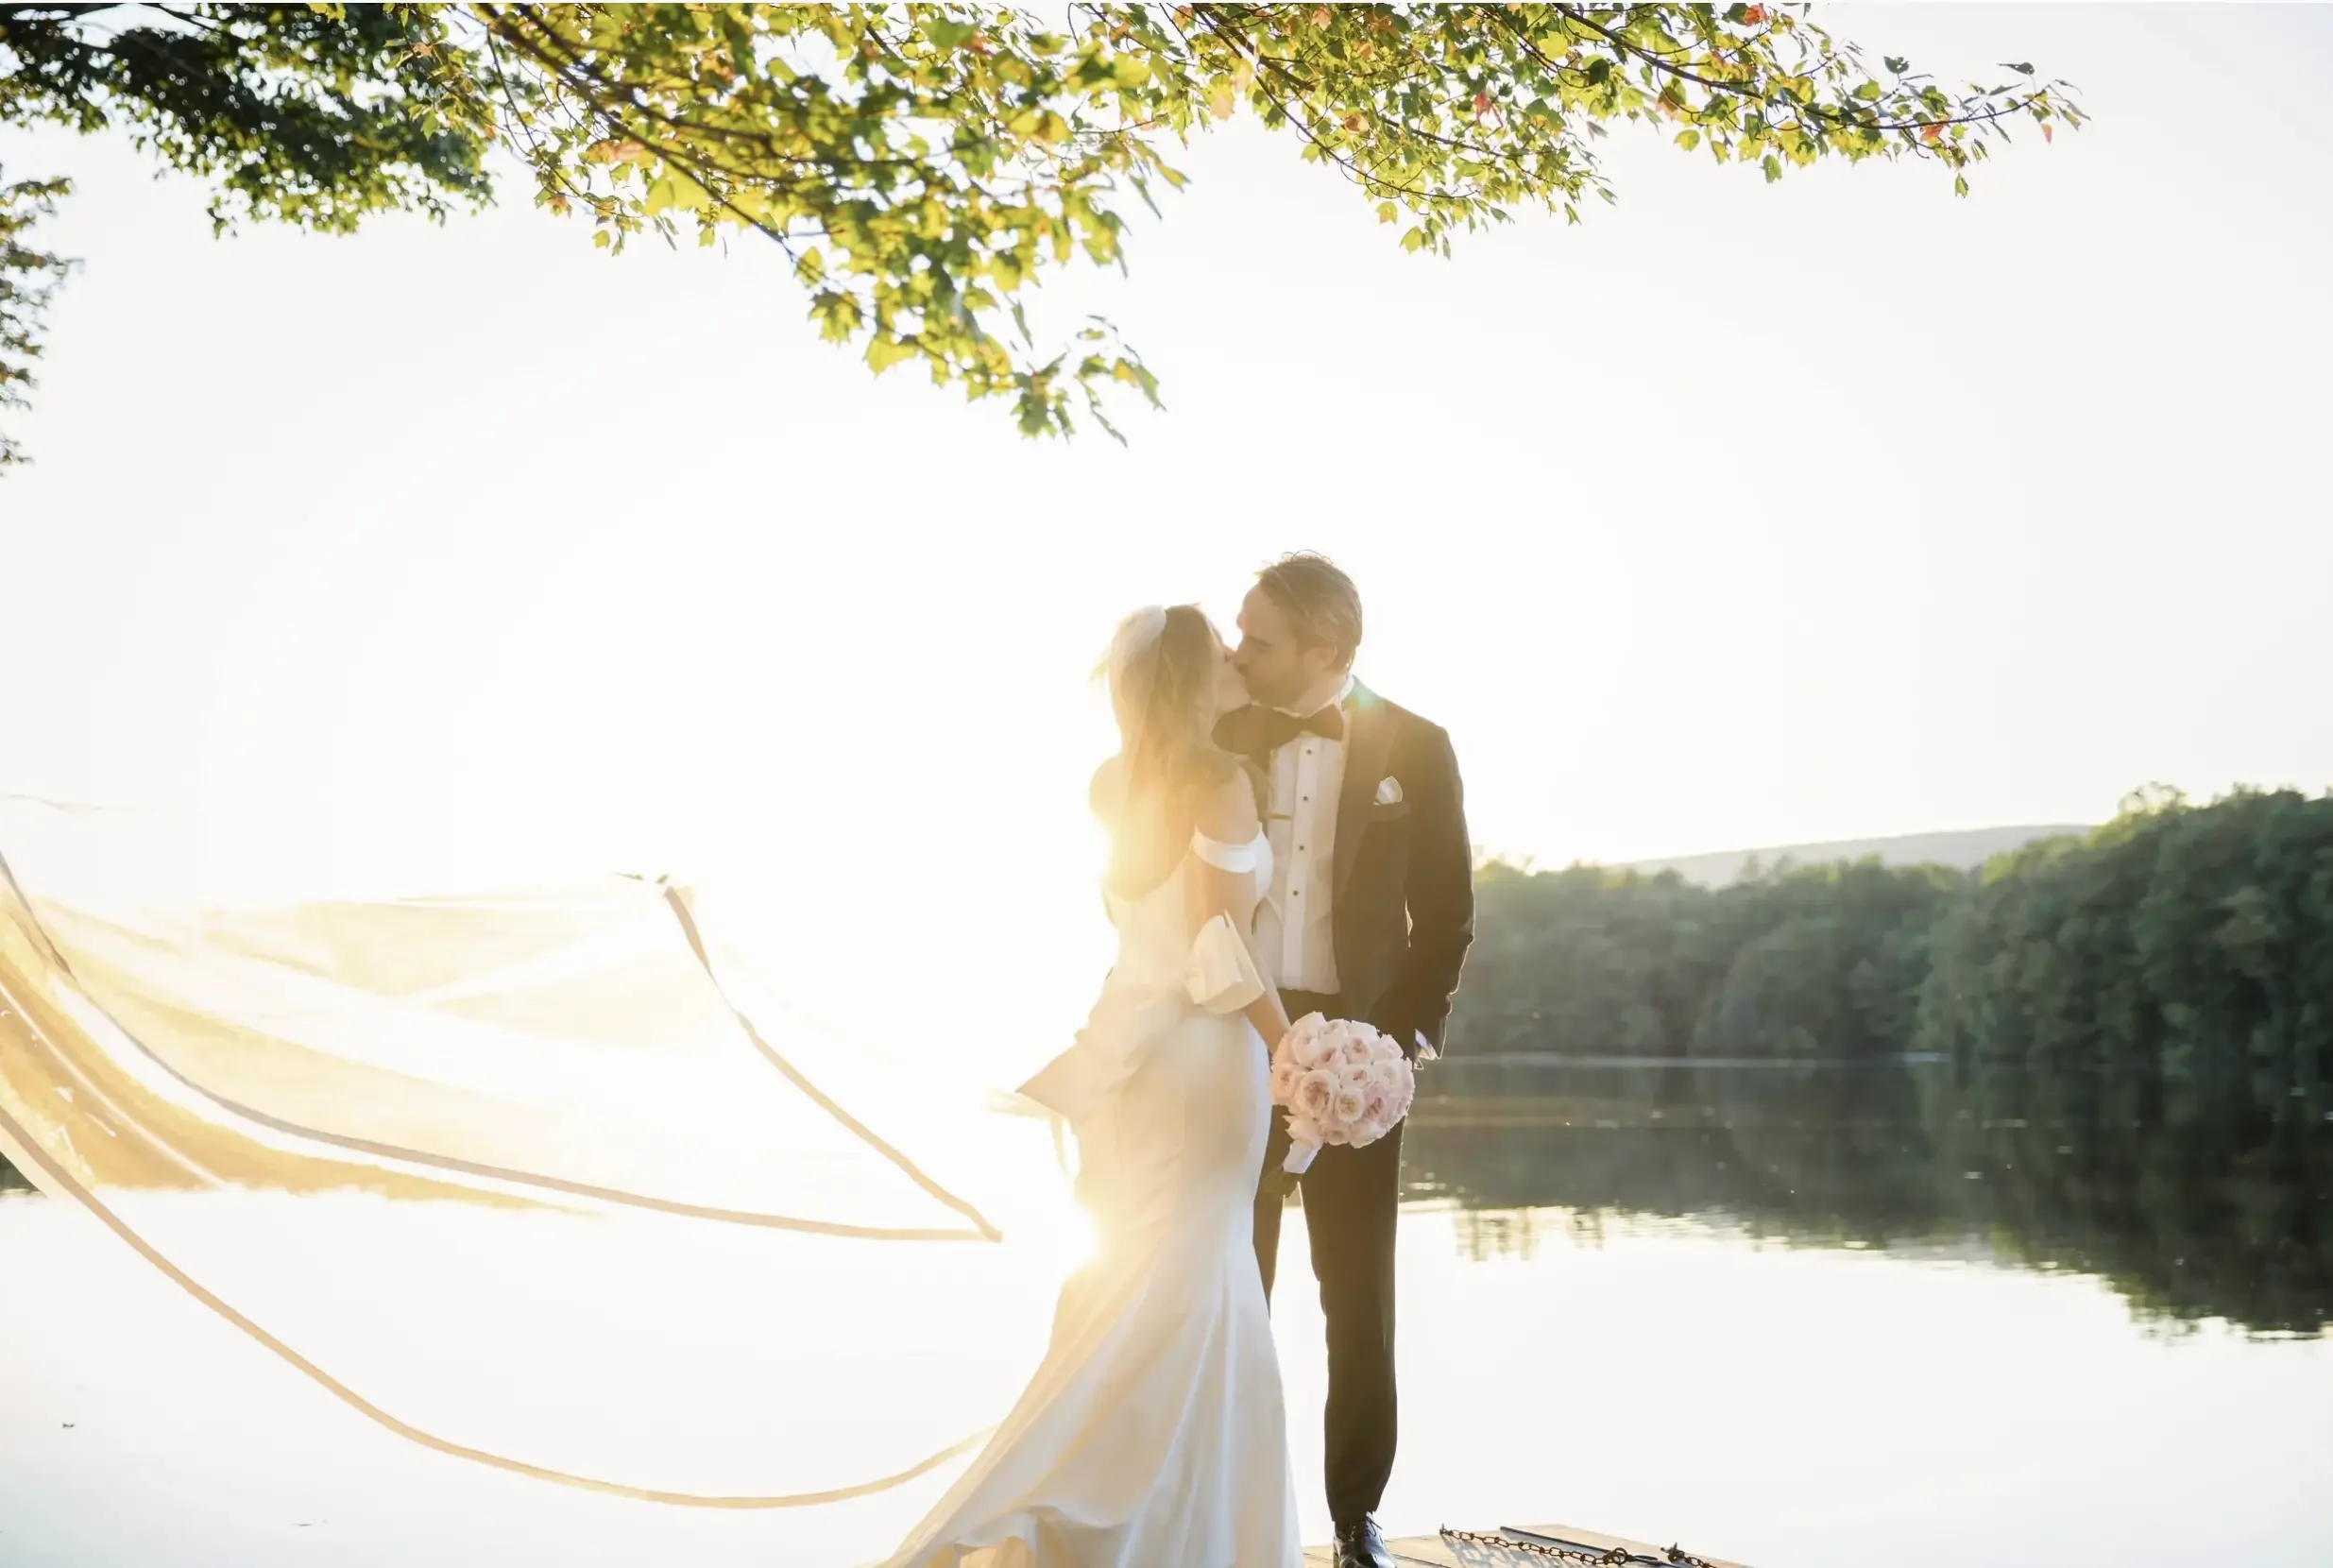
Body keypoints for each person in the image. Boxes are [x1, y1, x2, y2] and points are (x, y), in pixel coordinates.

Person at [882, 603, 1303, 1568]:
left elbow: (1151, 936)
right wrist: (1296, 1054)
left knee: (1130, 1276)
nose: (1237, 663)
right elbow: (1218, 952)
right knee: (1198, 1282)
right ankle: (1145, 1523)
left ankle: (1096, 1503)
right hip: (1202, 1066)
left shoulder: (1111, 783)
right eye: (1220, 658)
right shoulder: (1219, 780)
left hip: (1124, 1064)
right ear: (1194, 678)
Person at [1220, 553, 1474, 1568]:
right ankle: (1229, 1501)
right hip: (1228, 1033)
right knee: (1230, 1282)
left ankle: (1352, 1519)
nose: (1237, 652)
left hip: (1354, 1051)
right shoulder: (1217, 735)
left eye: (1258, 636)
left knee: (1358, 1295)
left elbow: (1447, 914)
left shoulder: (1417, 746)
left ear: (1325, 649)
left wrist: (1395, 1045)